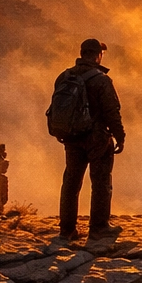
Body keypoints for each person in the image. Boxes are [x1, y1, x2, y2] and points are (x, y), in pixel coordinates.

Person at [54, 38, 126, 241]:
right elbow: (112, 112)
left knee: (71, 182)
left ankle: (67, 230)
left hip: (72, 138)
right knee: (101, 182)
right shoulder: (101, 80)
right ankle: (99, 228)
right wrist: (120, 136)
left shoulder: (64, 76)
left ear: (81, 53)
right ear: (97, 55)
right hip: (97, 138)